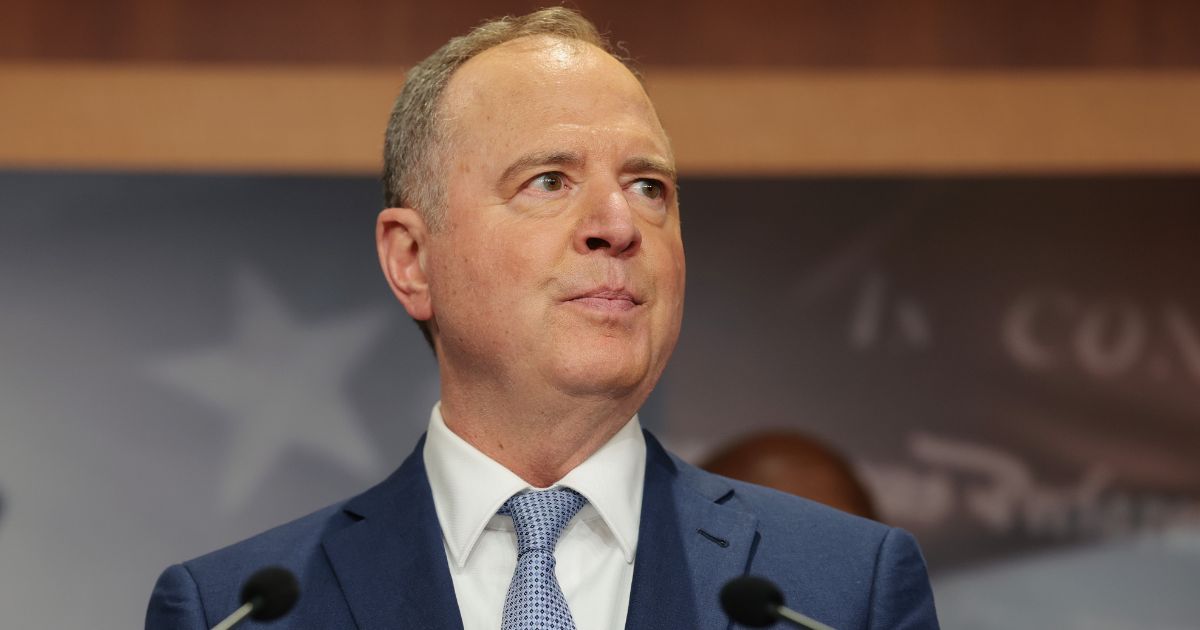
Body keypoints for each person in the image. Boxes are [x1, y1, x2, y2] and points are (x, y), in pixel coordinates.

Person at [145, 8, 939, 629]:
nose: (618, 225)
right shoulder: (236, 612)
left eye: (648, 186)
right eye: (550, 181)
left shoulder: (841, 593)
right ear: (412, 261)